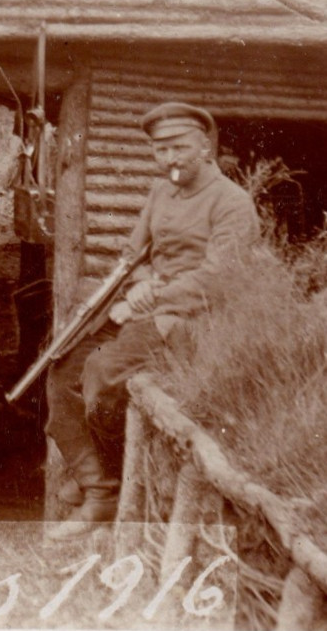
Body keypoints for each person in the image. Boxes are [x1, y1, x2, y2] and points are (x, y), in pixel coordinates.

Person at [44, 101, 260, 539]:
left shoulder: (232, 203)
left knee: (102, 373)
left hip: (190, 315)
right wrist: (142, 283)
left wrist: (156, 294)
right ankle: (96, 484)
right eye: (161, 150)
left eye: (180, 148)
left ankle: (109, 482)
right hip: (145, 306)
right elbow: (133, 255)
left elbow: (218, 279)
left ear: (205, 147)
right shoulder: (160, 192)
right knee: (62, 368)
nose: (170, 159)